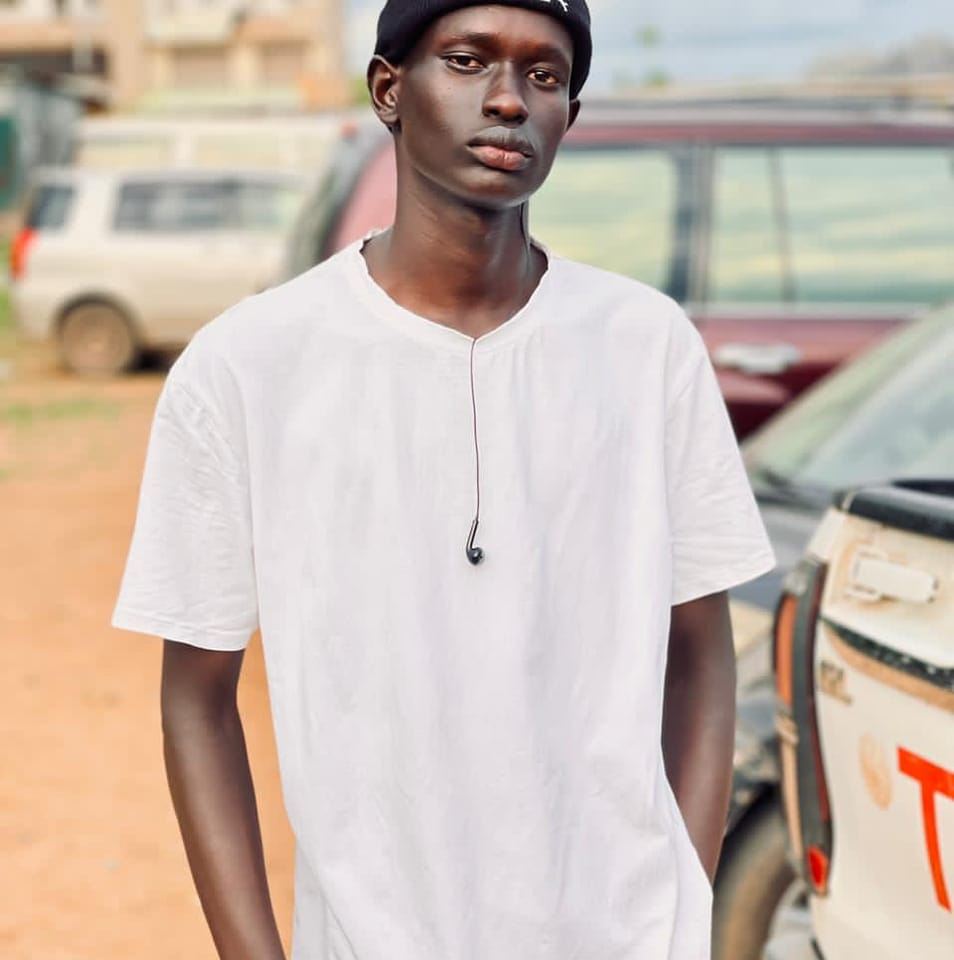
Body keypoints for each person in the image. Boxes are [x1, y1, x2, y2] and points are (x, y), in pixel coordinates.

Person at [111, 1, 776, 957]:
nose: (509, 100)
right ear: (389, 90)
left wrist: (683, 908)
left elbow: (702, 658)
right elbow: (196, 701)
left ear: (570, 116)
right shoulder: (248, 366)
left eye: (544, 75)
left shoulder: (646, 346)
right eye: (468, 61)